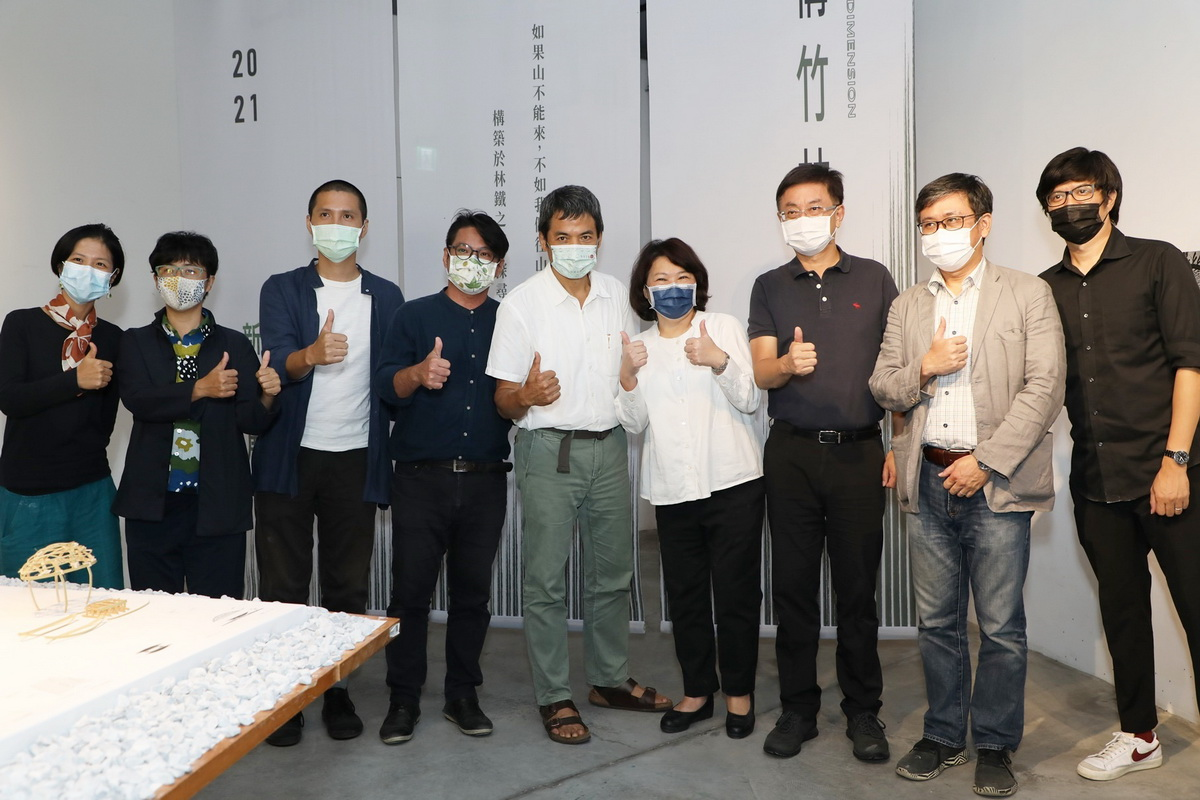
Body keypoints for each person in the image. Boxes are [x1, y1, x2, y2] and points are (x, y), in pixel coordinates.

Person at [870, 173, 1065, 796]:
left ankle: (997, 743)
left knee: (1001, 626)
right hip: (927, 479)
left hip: (995, 484)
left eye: (952, 221)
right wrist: (923, 368)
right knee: (937, 622)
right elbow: (883, 386)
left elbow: (1045, 388)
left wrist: (986, 461)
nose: (939, 233)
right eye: (929, 224)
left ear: (983, 224)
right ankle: (945, 734)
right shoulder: (908, 305)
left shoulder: (1027, 293)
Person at [1035, 147, 1200, 782]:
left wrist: (1176, 461)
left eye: (1080, 192)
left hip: (1168, 474)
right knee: (1123, 615)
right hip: (1095, 482)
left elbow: (1190, 363)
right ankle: (1139, 736)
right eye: (1056, 197)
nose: (1068, 205)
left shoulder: (1159, 261)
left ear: (1108, 198)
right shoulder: (1044, 289)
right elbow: (1042, 388)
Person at [486, 184, 671, 745]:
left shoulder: (617, 295)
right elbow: (502, 399)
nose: (575, 247)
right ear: (544, 242)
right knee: (545, 581)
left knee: (612, 574)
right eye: (562, 237)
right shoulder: (522, 304)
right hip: (548, 450)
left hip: (610, 447)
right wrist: (527, 395)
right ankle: (554, 694)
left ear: (599, 239)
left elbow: (637, 366)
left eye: (584, 236)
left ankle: (608, 680)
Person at [748, 163, 898, 761]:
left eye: (814, 208)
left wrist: (897, 444)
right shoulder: (769, 285)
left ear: (838, 213)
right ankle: (798, 709)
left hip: (860, 452)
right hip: (791, 454)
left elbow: (896, 369)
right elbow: (762, 371)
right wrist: (788, 364)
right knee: (793, 588)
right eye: (790, 211)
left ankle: (863, 712)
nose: (802, 220)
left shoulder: (876, 278)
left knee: (858, 590)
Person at [253, 179, 404, 745]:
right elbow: (277, 363)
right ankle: (288, 698)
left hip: (355, 458)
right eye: (326, 214)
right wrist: (310, 356)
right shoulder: (282, 288)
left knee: (346, 586)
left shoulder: (386, 296)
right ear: (309, 223)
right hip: (289, 459)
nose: (336, 225)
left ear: (364, 227)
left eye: (347, 216)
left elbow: (391, 379)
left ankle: (336, 689)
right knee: (283, 584)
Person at [615, 238, 764, 739]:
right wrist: (627, 376)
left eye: (683, 278)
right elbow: (633, 424)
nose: (673, 288)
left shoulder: (722, 327)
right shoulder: (639, 347)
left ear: (697, 283)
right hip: (673, 490)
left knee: (736, 595)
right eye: (662, 279)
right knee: (686, 597)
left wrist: (720, 361)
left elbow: (750, 400)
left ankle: (739, 694)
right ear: (645, 291)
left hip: (732, 483)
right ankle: (698, 692)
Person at [375, 210, 513, 744]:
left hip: (484, 479)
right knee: (409, 595)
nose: (471, 261)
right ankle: (403, 700)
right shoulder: (413, 316)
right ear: (445, 256)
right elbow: (387, 386)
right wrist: (417, 374)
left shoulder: (510, 320)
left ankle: (462, 695)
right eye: (462, 250)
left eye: (484, 254)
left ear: (498, 266)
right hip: (420, 480)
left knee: (472, 596)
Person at [113, 231, 279, 599]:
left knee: (219, 612)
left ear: (210, 281)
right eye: (169, 270)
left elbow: (251, 420)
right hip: (152, 503)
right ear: (156, 280)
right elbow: (138, 400)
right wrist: (199, 389)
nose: (179, 279)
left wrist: (268, 394)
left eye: (190, 270)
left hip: (218, 503)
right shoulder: (135, 341)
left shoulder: (234, 343)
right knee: (154, 611)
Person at [0, 224, 126, 587]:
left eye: (100, 264)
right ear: (61, 265)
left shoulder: (113, 338)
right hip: (28, 492)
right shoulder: (22, 323)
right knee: (29, 605)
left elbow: (105, 420)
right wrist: (74, 381)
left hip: (92, 491)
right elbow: (9, 398)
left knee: (102, 601)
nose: (88, 270)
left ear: (113, 277)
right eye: (78, 260)